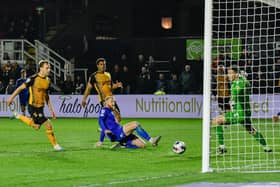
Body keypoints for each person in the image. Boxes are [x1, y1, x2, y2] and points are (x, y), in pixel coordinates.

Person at [211, 65, 272, 154]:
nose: (228, 75)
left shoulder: (238, 83)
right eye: (228, 73)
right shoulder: (242, 81)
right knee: (251, 130)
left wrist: (233, 100)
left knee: (216, 121)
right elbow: (247, 84)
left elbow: (238, 92)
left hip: (239, 113)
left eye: (230, 73)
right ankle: (266, 147)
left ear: (236, 73)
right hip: (246, 112)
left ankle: (222, 148)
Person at [6, 60, 63, 151]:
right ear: (41, 68)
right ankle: (56, 146)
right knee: (48, 124)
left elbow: (46, 96)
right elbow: (20, 88)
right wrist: (11, 98)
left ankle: (19, 116)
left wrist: (51, 110)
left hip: (41, 107)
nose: (49, 70)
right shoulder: (33, 78)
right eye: (47, 68)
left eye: (49, 68)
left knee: (36, 127)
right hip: (33, 106)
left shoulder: (48, 80)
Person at [96, 96, 161, 149]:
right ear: (106, 102)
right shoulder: (104, 110)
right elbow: (100, 120)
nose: (113, 103)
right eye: (111, 101)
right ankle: (152, 140)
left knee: (142, 145)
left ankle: (123, 145)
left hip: (121, 132)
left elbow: (108, 126)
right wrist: (101, 139)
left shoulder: (111, 111)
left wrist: (116, 112)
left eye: (114, 102)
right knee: (135, 124)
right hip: (118, 133)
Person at [82, 58, 123, 122]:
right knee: (113, 116)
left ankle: (108, 129)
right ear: (97, 66)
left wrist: (116, 85)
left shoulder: (108, 74)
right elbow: (88, 88)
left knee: (118, 117)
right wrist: (84, 99)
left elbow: (111, 86)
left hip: (111, 99)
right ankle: (110, 130)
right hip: (104, 100)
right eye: (101, 64)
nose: (103, 66)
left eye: (104, 64)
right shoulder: (94, 76)